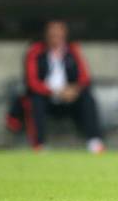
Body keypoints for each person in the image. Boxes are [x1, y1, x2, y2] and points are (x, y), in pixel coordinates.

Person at [17, 20, 104, 152]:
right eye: (52, 33)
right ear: (46, 35)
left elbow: (85, 77)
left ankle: (95, 142)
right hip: (47, 97)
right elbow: (32, 82)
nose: (55, 36)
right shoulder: (35, 51)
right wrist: (54, 91)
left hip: (69, 97)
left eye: (59, 33)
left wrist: (73, 89)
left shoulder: (73, 50)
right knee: (35, 101)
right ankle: (38, 145)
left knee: (87, 98)